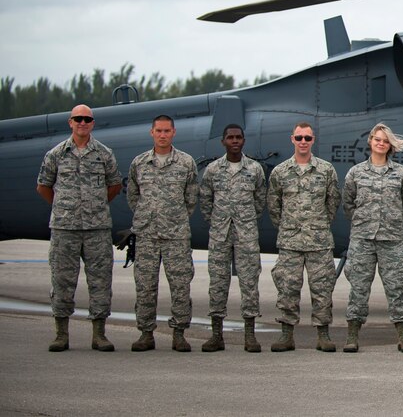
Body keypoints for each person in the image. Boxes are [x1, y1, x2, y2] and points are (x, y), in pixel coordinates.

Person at [36, 104, 123, 352]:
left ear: (92, 123)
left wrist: (94, 205)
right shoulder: (56, 154)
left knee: (100, 282)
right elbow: (43, 186)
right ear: (70, 122)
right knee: (62, 280)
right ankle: (61, 334)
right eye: (78, 119)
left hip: (97, 229)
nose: (82, 123)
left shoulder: (104, 154)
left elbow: (114, 185)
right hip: (65, 229)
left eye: (87, 119)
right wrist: (64, 207)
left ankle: (99, 335)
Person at [267, 122, 342, 352]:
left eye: (307, 138)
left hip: (319, 241)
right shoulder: (280, 172)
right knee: (287, 288)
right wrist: (290, 227)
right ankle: (286, 335)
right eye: (299, 138)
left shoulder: (326, 170)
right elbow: (273, 205)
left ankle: (323, 335)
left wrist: (316, 225)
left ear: (313, 140)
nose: (303, 142)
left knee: (322, 289)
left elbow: (333, 203)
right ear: (292, 139)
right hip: (290, 241)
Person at [127, 114, 199, 352]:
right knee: (145, 286)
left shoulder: (186, 163)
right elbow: (133, 197)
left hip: (176, 236)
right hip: (147, 235)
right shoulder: (139, 163)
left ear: (174, 133)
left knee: (180, 286)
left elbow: (191, 199)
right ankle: (146, 334)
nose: (163, 135)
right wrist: (147, 217)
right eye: (158, 131)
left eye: (167, 131)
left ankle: (179, 334)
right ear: (152, 133)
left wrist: (174, 219)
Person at [342, 123, 403, 353]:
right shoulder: (356, 173)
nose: (381, 143)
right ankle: (352, 336)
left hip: (391, 239)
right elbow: (348, 204)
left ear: (390, 145)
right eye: (377, 139)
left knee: (396, 289)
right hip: (362, 239)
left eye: (385, 140)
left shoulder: (400, 173)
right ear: (370, 141)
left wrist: (389, 222)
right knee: (358, 289)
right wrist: (364, 222)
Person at [198, 124, 267, 353]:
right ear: (223, 142)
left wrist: (244, 220)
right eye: (230, 137)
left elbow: (260, 200)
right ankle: (216, 335)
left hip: (246, 234)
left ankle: (250, 335)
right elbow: (205, 201)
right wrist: (218, 221)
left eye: (238, 137)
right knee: (217, 283)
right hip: (220, 235)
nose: (235, 141)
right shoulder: (213, 170)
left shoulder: (254, 169)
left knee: (249, 283)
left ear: (244, 140)